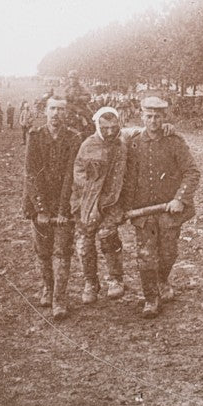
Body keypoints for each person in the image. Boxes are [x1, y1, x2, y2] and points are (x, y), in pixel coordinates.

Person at [120, 96, 201, 318]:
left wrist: (180, 199)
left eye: (157, 116)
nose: (153, 120)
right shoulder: (133, 142)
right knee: (146, 256)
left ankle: (162, 279)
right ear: (141, 116)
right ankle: (150, 299)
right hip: (143, 212)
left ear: (164, 118)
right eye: (149, 116)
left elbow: (192, 172)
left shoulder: (174, 141)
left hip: (169, 211)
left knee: (167, 254)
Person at [23, 97, 83, 319]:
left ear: (67, 113)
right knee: (43, 250)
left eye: (61, 109)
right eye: (53, 109)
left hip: (65, 202)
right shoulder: (35, 136)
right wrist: (41, 209)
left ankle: (60, 298)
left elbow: (71, 174)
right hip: (39, 201)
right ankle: (47, 287)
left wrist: (63, 210)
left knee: (62, 251)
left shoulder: (74, 137)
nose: (57, 113)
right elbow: (31, 172)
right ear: (45, 111)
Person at [72, 106, 128, 304]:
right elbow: (78, 173)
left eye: (114, 127)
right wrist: (91, 198)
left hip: (111, 204)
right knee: (85, 244)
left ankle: (116, 279)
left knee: (109, 239)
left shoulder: (121, 146)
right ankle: (90, 282)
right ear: (97, 126)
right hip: (87, 203)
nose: (110, 132)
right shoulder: (88, 145)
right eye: (105, 128)